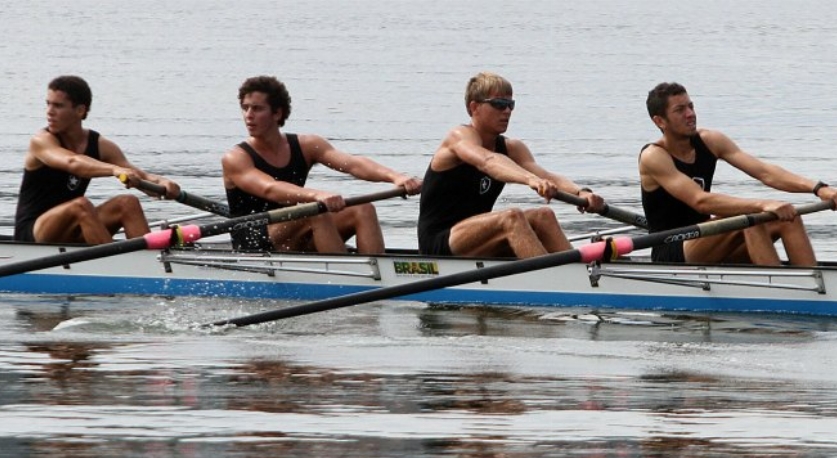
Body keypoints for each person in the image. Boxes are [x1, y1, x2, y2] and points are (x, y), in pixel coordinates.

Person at [639, 81, 837, 266]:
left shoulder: (711, 140)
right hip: (672, 248)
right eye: (680, 110)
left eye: (691, 106)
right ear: (659, 121)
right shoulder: (654, 156)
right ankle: (778, 289)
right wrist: (762, 204)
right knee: (750, 216)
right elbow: (700, 200)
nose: (690, 114)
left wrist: (819, 189)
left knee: (787, 217)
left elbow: (766, 173)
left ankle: (813, 281)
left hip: (710, 238)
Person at [222, 75, 422, 253]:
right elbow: (270, 189)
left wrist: (396, 177)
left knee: (364, 209)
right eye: (245, 108)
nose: (248, 115)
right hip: (254, 239)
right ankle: (346, 279)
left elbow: (353, 164)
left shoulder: (307, 145)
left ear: (277, 113)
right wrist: (316, 195)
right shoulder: (236, 158)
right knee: (315, 210)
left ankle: (379, 273)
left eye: (257, 109)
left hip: (296, 232)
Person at [417, 71, 604, 259]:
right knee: (511, 217)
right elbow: (487, 161)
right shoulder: (459, 137)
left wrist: (581, 192)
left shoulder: (513, 148)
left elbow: (546, 176)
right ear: (474, 107)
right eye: (499, 104)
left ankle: (577, 277)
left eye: (510, 105)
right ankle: (550, 280)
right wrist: (529, 179)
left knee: (544, 216)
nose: (506, 111)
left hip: (481, 237)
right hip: (440, 241)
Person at [14, 75, 180, 245]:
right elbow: (73, 162)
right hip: (34, 231)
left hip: (74, 228)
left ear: (80, 110)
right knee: (81, 206)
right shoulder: (41, 141)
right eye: (48, 104)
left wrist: (162, 183)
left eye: (58, 106)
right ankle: (115, 264)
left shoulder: (100, 145)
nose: (49, 112)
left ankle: (150, 263)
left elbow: (139, 176)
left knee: (127, 203)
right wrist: (114, 170)